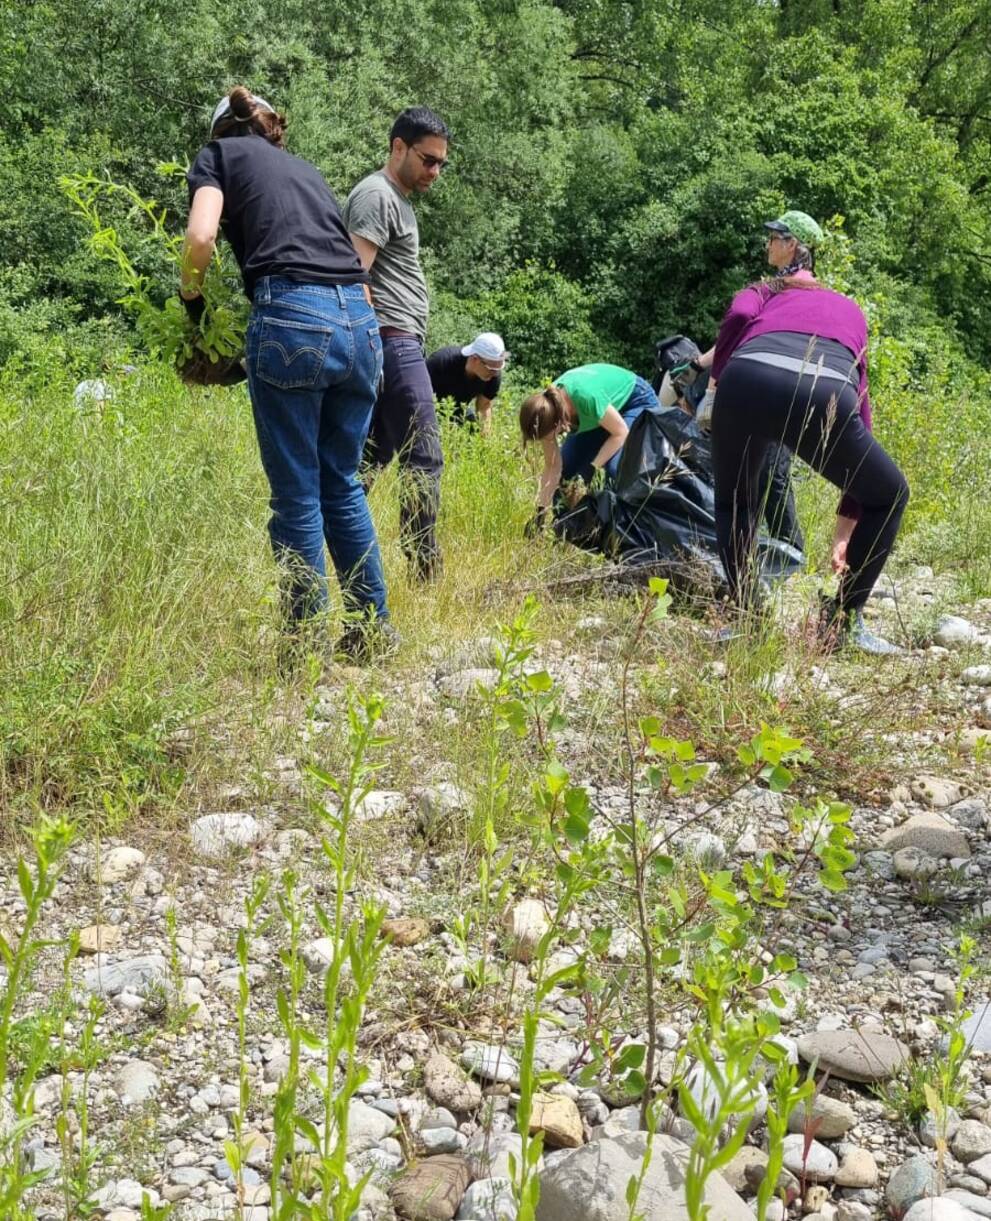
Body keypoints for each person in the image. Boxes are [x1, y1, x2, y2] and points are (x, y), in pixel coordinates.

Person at [180, 87, 394, 664]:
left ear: (221, 131)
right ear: (267, 127)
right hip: (362, 326)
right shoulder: (307, 170)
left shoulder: (217, 157)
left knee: (297, 493)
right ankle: (371, 634)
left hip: (293, 315)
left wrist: (191, 299)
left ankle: (302, 648)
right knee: (341, 484)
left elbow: (201, 237)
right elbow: (354, 269)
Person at [708, 209, 909, 653]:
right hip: (822, 390)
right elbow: (863, 409)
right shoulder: (850, 308)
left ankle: (747, 616)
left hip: (745, 381)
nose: (767, 246)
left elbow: (739, 313)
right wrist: (845, 530)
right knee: (889, 493)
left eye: (774, 238)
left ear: (792, 247)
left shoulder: (765, 291)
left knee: (735, 501)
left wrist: (720, 375)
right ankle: (842, 622)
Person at [343, 106, 450, 582]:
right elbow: (350, 273)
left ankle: (341, 548)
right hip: (391, 339)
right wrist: (373, 346)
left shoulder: (398, 200)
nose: (435, 171)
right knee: (423, 452)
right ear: (398, 147)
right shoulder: (376, 195)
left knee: (367, 461)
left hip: (398, 340)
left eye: (441, 163)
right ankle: (425, 568)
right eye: (428, 160)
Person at [656, 337, 805, 554]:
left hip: (767, 404)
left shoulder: (708, 368)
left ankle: (791, 554)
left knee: (772, 479)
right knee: (755, 483)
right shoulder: (687, 379)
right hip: (743, 422)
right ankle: (753, 551)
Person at [519, 364, 659, 535]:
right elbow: (552, 467)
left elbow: (620, 433)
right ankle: (566, 532)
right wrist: (540, 514)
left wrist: (593, 467)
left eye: (548, 436)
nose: (548, 441)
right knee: (567, 473)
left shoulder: (585, 398)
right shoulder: (545, 413)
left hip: (634, 401)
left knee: (616, 470)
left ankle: (619, 536)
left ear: (558, 423)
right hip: (602, 413)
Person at [426, 332, 507, 430]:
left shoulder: (493, 375)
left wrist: (485, 441)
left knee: (473, 431)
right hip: (429, 410)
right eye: (491, 368)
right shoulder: (441, 362)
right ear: (475, 359)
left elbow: (484, 406)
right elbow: (417, 396)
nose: (495, 373)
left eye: (498, 368)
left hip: (459, 412)